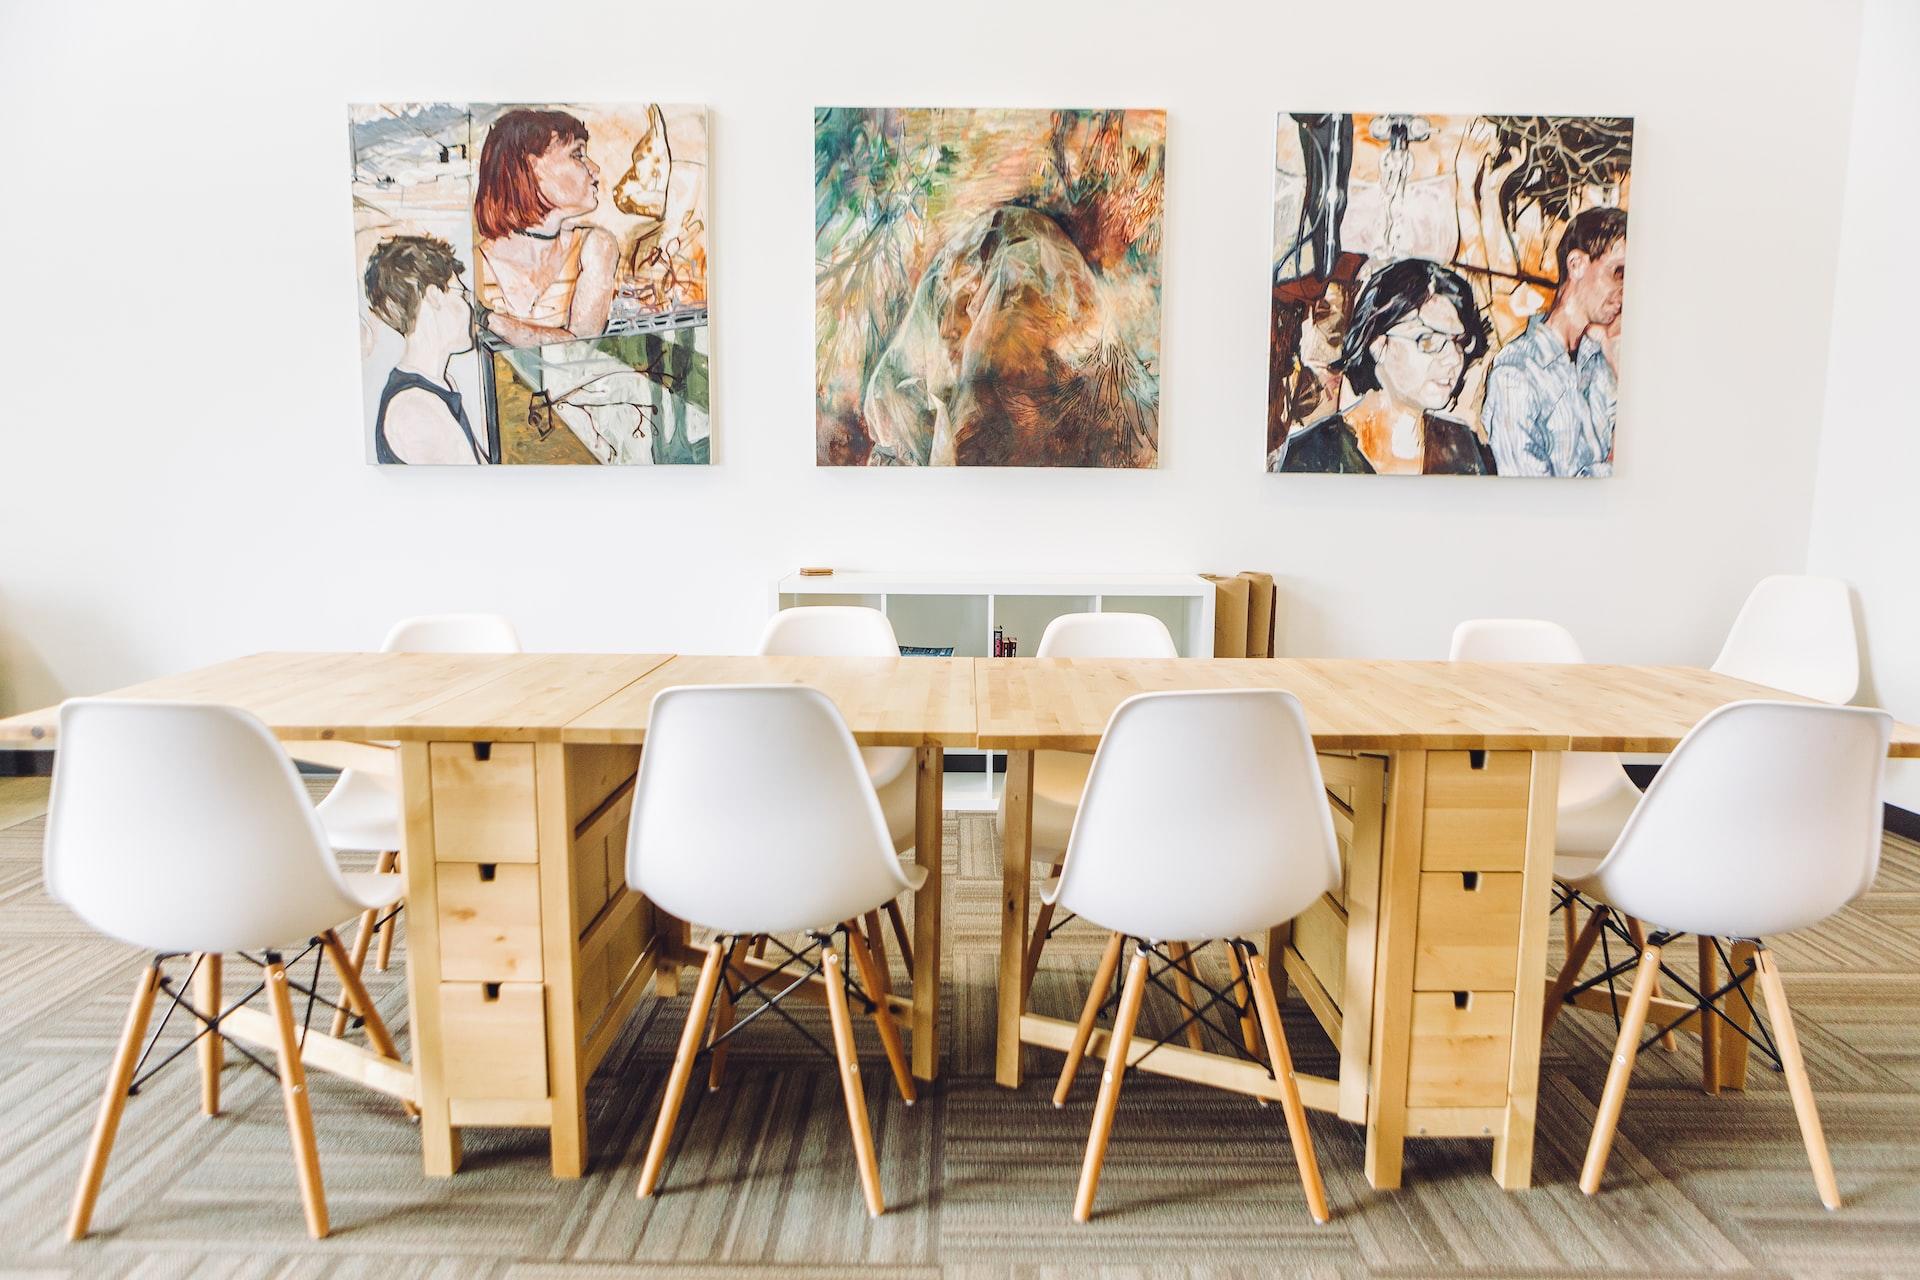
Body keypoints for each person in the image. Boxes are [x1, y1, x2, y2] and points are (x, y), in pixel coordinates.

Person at [1272, 257, 1494, 474]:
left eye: (1460, 342)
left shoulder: (1462, 446)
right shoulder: (1313, 454)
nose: (1454, 358)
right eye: (1428, 341)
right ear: (1378, 345)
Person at [1482, 206, 1627, 477]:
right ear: (1576, 265)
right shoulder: (1516, 372)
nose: (1624, 290)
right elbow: (1529, 492)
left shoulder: (1598, 363)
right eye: (1618, 273)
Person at [472, 108, 618, 346]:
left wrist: (488, 319)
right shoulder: (474, 263)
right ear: (533, 168)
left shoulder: (596, 247)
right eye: (577, 154)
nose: (595, 168)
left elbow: (579, 349)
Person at [362, 234, 486, 465]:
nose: (469, 307)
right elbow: (483, 487)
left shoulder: (441, 383)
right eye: (462, 294)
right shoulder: (415, 409)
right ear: (434, 296)